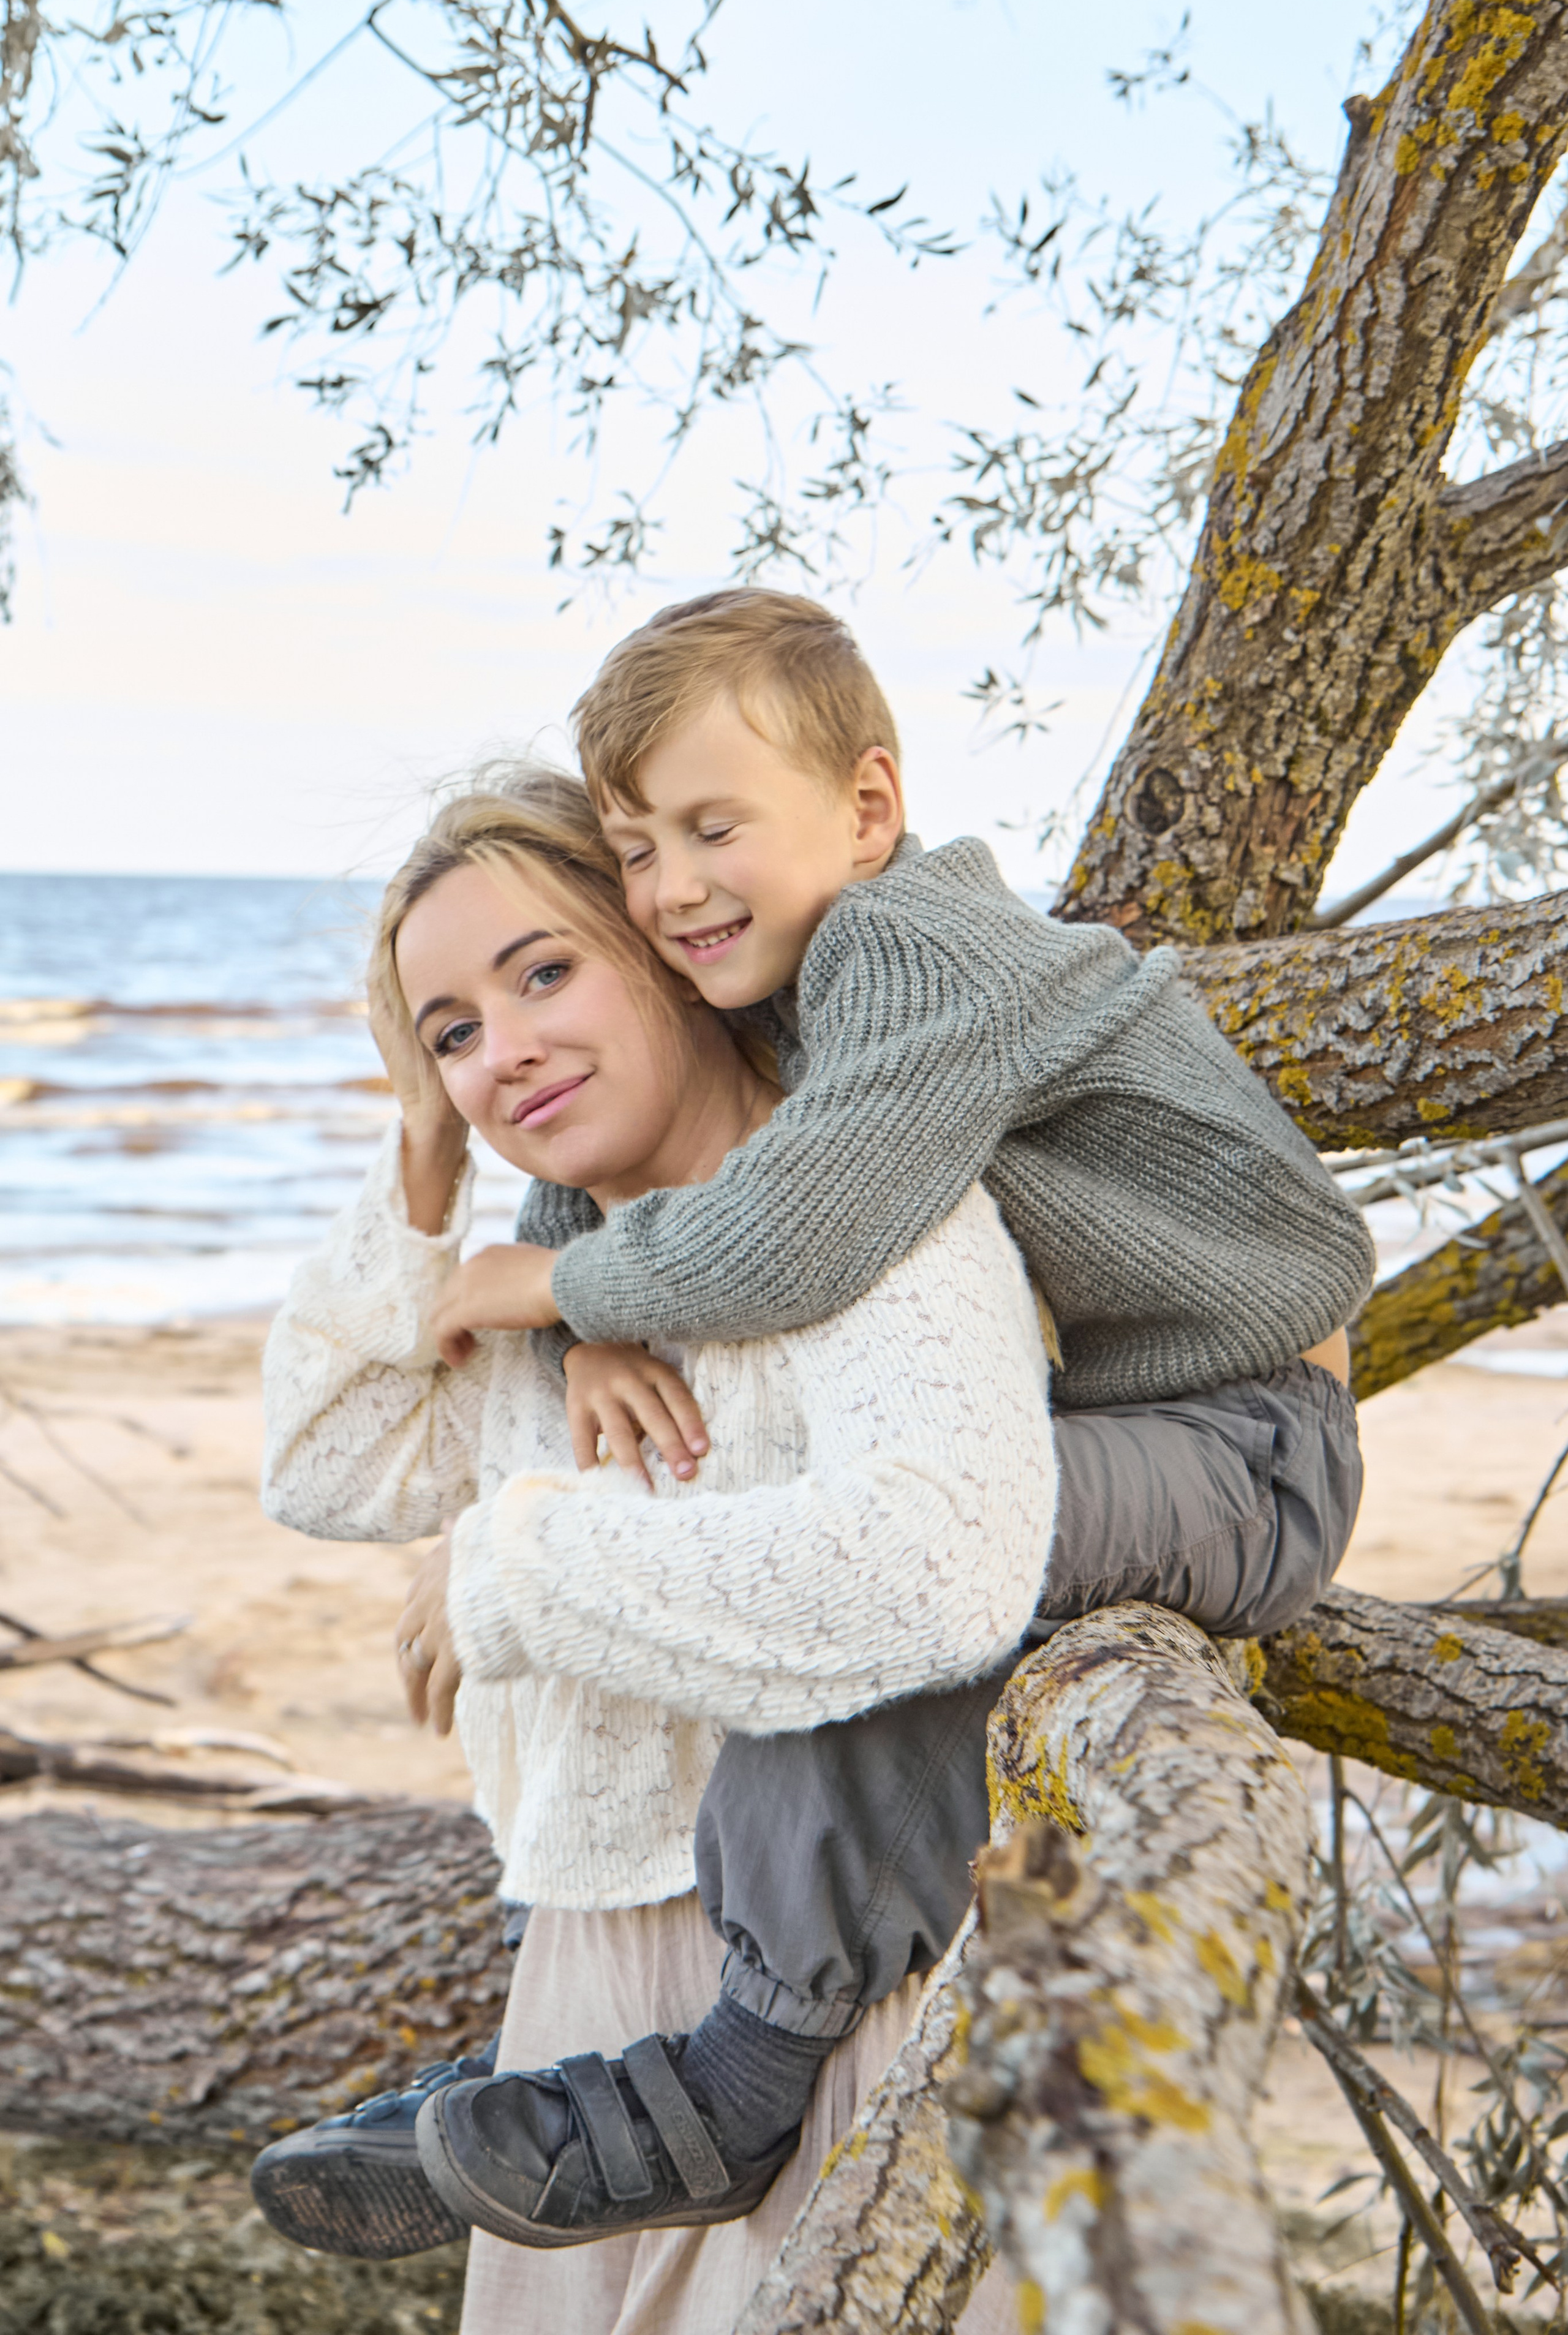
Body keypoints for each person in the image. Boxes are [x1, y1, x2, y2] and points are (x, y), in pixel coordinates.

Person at [390, 589, 1373, 2250]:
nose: (676, 888)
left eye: (716, 827)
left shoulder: (908, 955)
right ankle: (586, 2042)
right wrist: (579, 1314)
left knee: (879, 1574)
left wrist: (543, 1294)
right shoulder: (796, 971)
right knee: (812, 1551)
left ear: (866, 809)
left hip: (1248, 1444)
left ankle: (742, 2079)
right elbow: (668, 1146)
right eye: (637, 851)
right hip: (1160, 1420)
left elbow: (789, 1232)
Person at [252, 768, 1055, 2331]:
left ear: (668, 946)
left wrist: (508, 1568)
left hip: (825, 1990)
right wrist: (424, 1150)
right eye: (453, 1029)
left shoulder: (869, 1221)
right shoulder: (551, 1293)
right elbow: (325, 1457)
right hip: (575, 1990)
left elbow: (937, 1565)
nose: (506, 1054)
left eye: (544, 971)